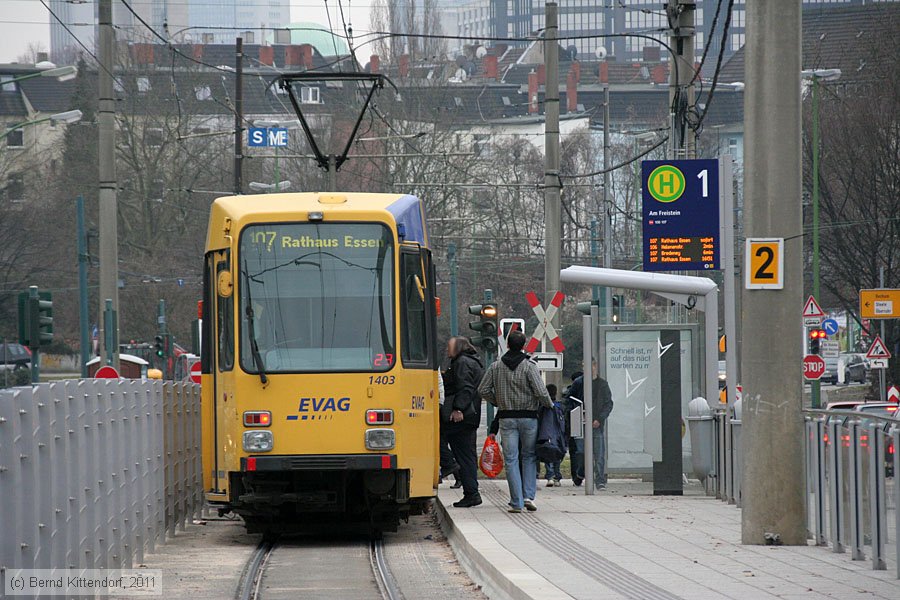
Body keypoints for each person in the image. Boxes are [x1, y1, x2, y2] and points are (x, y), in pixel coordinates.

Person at [478, 330, 553, 513]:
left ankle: (516, 501)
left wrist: (499, 401)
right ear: (524, 346)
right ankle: (528, 496)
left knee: (511, 459)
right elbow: (542, 392)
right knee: (529, 456)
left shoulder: (496, 367)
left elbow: (483, 389)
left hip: (506, 418)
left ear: (508, 345)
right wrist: (549, 405)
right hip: (529, 418)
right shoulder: (529, 366)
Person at [442, 336, 484, 508]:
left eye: (449, 346)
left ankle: (471, 493)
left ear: (458, 347)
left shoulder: (462, 363)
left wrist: (458, 408)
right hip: (470, 415)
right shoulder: (472, 361)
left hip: (462, 417)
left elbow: (465, 387)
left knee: (463, 455)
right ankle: (471, 490)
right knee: (466, 454)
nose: (446, 349)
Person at [568, 360, 614, 490]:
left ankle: (599, 480)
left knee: (598, 454)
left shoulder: (602, 384)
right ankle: (581, 472)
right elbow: (569, 400)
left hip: (596, 424)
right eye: (583, 366)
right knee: (581, 452)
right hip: (582, 423)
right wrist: (577, 414)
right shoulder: (578, 383)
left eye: (588, 366)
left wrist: (599, 419)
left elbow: (608, 403)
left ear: (594, 366)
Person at [437, 368, 462, 488]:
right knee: (443, 443)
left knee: (440, 443)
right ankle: (457, 474)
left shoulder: (460, 365)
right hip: (443, 407)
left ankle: (452, 468)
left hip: (442, 409)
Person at [563, 371, 584, 486]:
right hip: (579, 422)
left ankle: (576, 476)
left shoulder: (569, 394)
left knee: (574, 451)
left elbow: (566, 408)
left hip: (572, 424)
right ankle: (580, 474)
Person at [543, 383, 564, 487]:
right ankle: (557, 477)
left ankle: (550, 476)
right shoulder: (559, 406)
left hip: (547, 433)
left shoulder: (543, 406)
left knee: (548, 455)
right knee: (557, 455)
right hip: (558, 434)